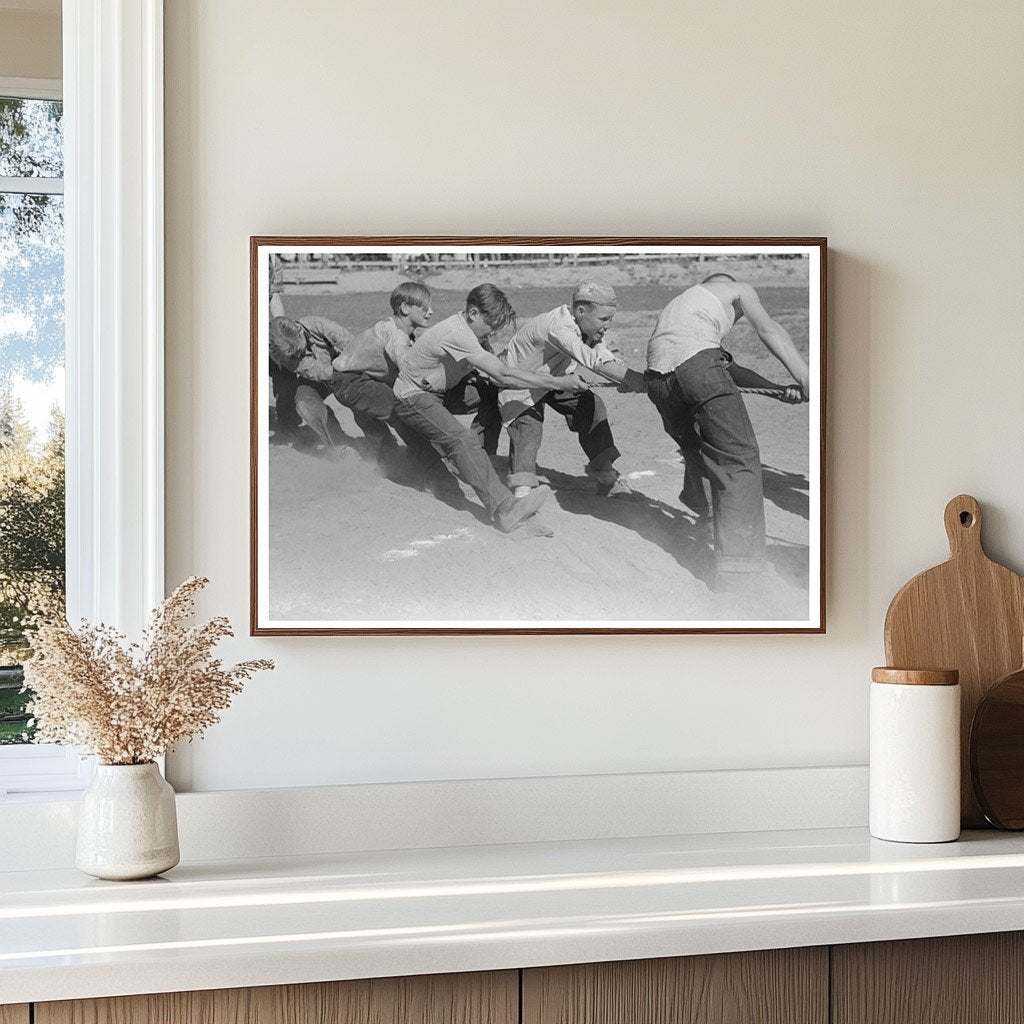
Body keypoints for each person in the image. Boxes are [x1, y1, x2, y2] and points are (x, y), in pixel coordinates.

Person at [644, 272, 810, 585]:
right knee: (738, 459)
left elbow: (726, 370)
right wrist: (804, 376)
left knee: (697, 448)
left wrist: (777, 389)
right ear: (725, 286)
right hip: (698, 368)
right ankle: (741, 574)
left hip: (658, 378)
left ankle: (706, 516)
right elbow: (767, 328)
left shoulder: (683, 308)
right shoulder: (738, 289)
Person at [393, 284, 589, 535]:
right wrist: (559, 382)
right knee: (461, 440)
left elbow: (498, 376)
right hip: (413, 397)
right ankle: (505, 509)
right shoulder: (457, 333)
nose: (493, 333)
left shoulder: (474, 333)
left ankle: (475, 460)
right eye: (491, 325)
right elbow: (503, 374)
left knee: (493, 395)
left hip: (439, 391)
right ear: (473, 313)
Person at [497, 281, 646, 499]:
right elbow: (591, 360)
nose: (607, 326)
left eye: (610, 319)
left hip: (555, 379)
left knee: (590, 405)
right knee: (528, 429)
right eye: (603, 319)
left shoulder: (586, 326)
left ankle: (606, 477)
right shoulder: (559, 326)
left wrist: (626, 379)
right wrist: (641, 381)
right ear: (581, 311)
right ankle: (521, 495)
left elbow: (602, 355)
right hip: (521, 384)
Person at [330, 281, 448, 483]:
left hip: (356, 381)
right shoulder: (394, 332)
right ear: (404, 308)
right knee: (403, 412)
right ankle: (435, 472)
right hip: (351, 382)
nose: (431, 312)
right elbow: (407, 365)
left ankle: (388, 463)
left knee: (380, 423)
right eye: (424, 308)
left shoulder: (402, 331)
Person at [268, 312, 353, 456]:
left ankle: (383, 444)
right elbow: (317, 372)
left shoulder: (318, 324)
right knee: (304, 402)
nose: (296, 355)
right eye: (292, 355)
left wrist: (353, 367)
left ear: (299, 331)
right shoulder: (282, 353)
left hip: (350, 368)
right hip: (325, 375)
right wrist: (340, 370)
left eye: (297, 350)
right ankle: (337, 443)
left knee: (363, 395)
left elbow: (352, 344)